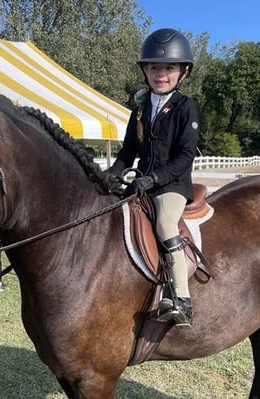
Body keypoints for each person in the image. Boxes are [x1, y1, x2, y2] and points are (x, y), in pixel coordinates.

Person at [105, 28, 200, 327]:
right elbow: (127, 152)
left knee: (164, 222)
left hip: (171, 185)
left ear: (182, 72)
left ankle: (181, 299)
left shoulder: (186, 108)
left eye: (169, 68)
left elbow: (185, 157)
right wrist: (109, 175)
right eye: (155, 67)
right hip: (141, 183)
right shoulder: (140, 110)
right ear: (145, 70)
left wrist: (153, 178)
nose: (161, 74)